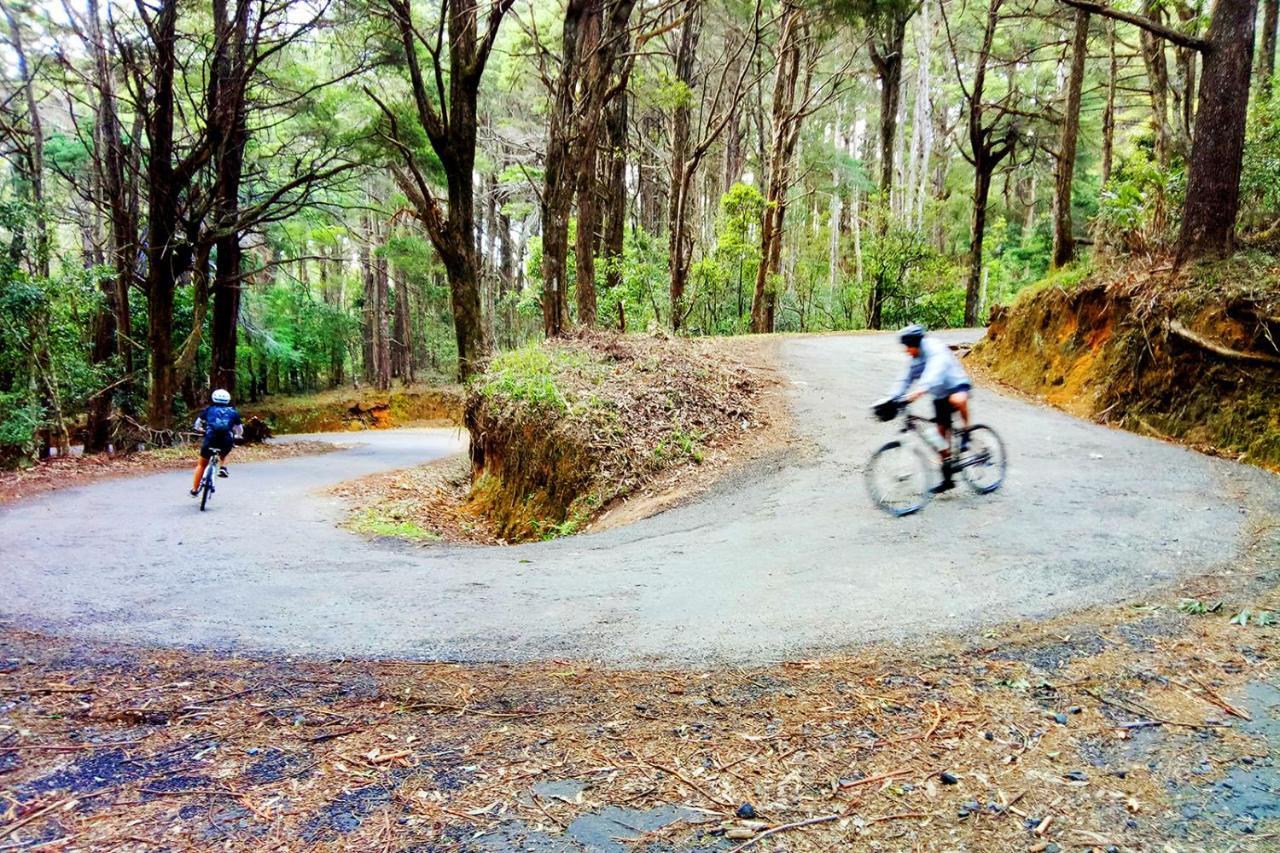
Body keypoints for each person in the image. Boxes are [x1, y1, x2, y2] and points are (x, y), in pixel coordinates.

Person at [889, 324, 972, 493]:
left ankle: (967, 432)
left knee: (957, 400)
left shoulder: (934, 348)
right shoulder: (915, 359)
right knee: (940, 441)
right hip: (939, 395)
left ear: (916, 343)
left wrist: (919, 390)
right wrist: (890, 399)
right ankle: (947, 479)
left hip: (956, 384)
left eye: (908, 347)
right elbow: (904, 380)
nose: (906, 351)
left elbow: (935, 370)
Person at [190, 389, 243, 496]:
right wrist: (238, 435)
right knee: (224, 453)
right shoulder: (233, 412)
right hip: (226, 440)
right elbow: (239, 429)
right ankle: (223, 467)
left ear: (214, 398)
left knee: (201, 464)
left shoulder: (209, 410)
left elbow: (197, 424)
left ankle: (195, 490)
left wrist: (200, 429)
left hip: (210, 439)